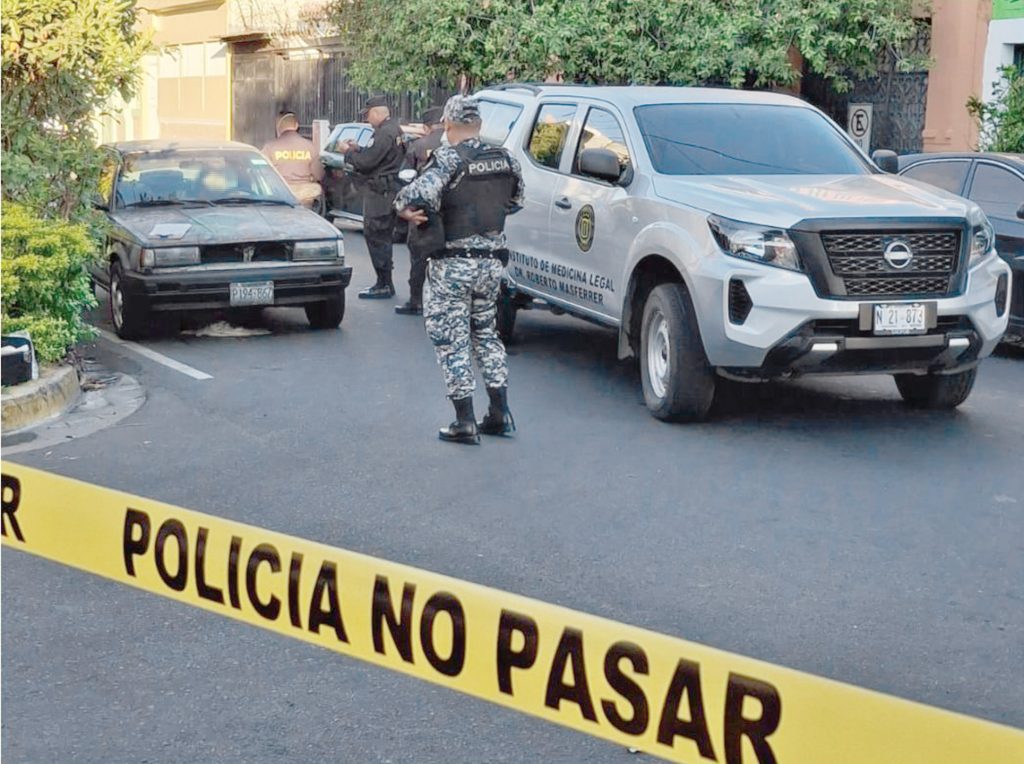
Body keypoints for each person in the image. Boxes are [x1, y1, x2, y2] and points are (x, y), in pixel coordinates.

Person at [394, 95, 524, 445]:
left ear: (448, 125)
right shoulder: (506, 158)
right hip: (492, 264)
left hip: (453, 264)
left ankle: (464, 421)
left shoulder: (449, 158)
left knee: (452, 340)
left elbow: (410, 197)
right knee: (486, 334)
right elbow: (516, 202)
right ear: (479, 125)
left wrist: (403, 211)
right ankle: (500, 413)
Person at [335, 95, 406, 299]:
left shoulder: (384, 133)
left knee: (376, 236)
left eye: (367, 115)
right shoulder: (395, 130)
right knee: (382, 237)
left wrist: (348, 153)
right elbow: (379, 156)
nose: (366, 120)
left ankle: (384, 283)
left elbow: (367, 163)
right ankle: (384, 281)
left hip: (380, 193)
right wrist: (359, 148)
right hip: (388, 189)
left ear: (376, 112)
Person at [395, 105, 445, 316]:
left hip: (423, 213)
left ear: (426, 127)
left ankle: (416, 301)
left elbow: (404, 177)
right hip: (454, 213)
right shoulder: (457, 145)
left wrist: (405, 208)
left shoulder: (419, 146)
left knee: (418, 259)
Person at [260, 112, 324, 208]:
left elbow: (261, 173)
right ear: (296, 125)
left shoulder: (269, 147)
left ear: (278, 128)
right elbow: (319, 175)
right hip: (305, 197)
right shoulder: (310, 147)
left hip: (279, 195)